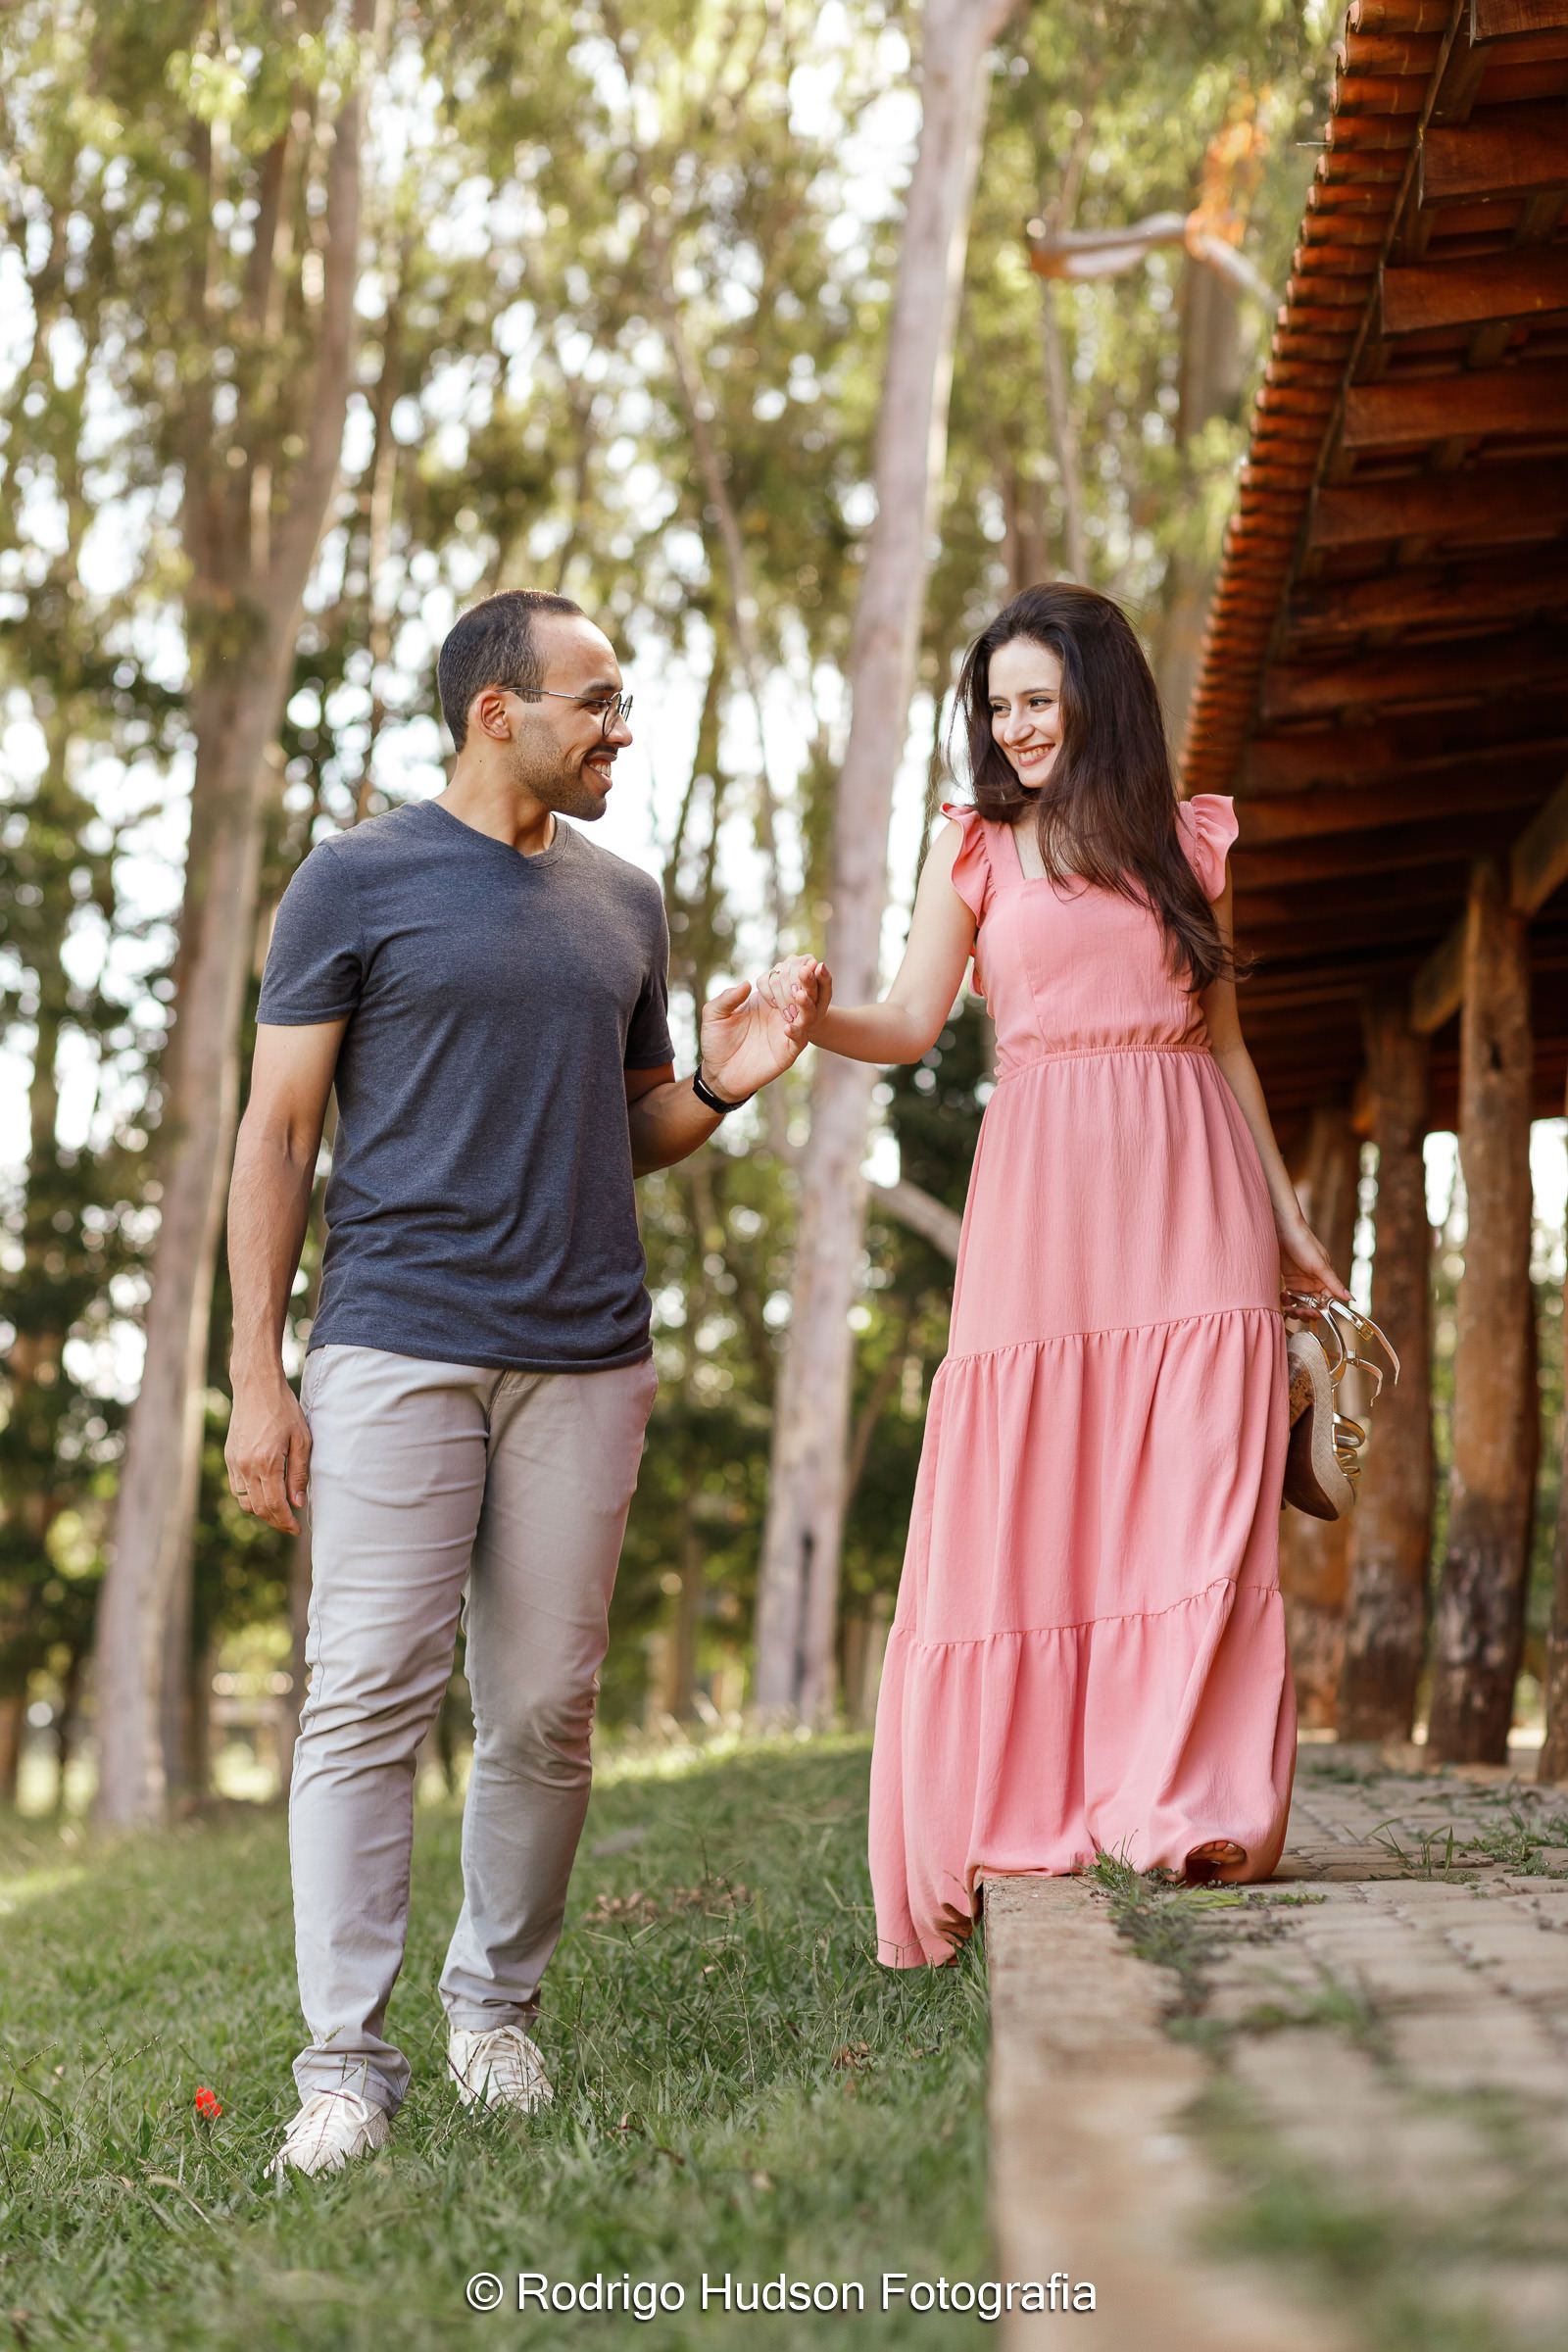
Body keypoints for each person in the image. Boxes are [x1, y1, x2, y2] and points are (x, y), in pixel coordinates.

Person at [227, 589, 824, 2175]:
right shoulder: (352, 878)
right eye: (595, 701)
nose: (620, 727)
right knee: (364, 1696)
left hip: (586, 1351)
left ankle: (493, 2018)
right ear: (498, 712)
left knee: (548, 1710)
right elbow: (279, 1134)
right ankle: (344, 2066)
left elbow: (627, 1123)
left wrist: (719, 1084)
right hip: (394, 1343)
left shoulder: (624, 900)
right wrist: (255, 1376)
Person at [763, 582, 1349, 1968]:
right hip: (1040, 1189)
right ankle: (1026, 1793)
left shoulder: (1187, 842)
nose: (1019, 727)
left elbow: (1229, 1047)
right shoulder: (976, 847)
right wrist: (806, 1022)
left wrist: (1287, 1216)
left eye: (1040, 699)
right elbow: (911, 1020)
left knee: (1200, 1478)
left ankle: (1186, 1801)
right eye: (1001, 705)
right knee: (1037, 1482)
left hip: (1189, 1175)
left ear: (1100, 696)